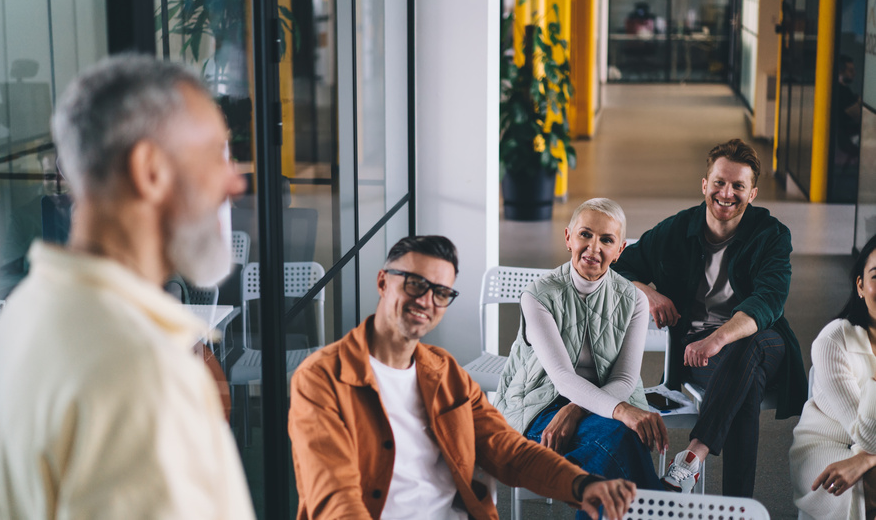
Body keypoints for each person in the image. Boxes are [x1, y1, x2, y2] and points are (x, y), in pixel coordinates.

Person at [0, 55, 255, 518]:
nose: (235, 182)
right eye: (217, 155)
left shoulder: (27, 313)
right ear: (149, 169)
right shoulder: (141, 373)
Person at [288, 235, 637, 520]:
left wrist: (581, 485)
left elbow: (509, 451)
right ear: (383, 282)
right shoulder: (322, 380)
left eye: (440, 293)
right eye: (414, 284)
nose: (426, 300)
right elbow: (335, 499)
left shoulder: (445, 374)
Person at [613, 138, 807, 496]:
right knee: (744, 387)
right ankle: (735, 508)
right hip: (701, 355)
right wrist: (649, 292)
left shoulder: (772, 235)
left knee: (747, 347)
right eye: (719, 182)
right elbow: (618, 269)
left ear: (753, 194)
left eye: (738, 186)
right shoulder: (675, 231)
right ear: (705, 185)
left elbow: (769, 300)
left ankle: (694, 453)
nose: (726, 193)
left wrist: (718, 338)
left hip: (764, 341)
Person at [494, 198, 666, 499]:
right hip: (541, 405)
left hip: (606, 401)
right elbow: (561, 377)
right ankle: (659, 508)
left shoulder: (634, 299)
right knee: (620, 442)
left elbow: (625, 380)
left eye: (607, 240)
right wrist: (620, 411)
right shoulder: (538, 295)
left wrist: (575, 410)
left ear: (620, 250)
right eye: (585, 234)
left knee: (615, 445)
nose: (593, 248)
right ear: (568, 237)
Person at [790, 234, 876, 520]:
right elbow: (865, 435)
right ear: (861, 287)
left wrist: (864, 461)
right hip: (827, 446)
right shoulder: (833, 339)